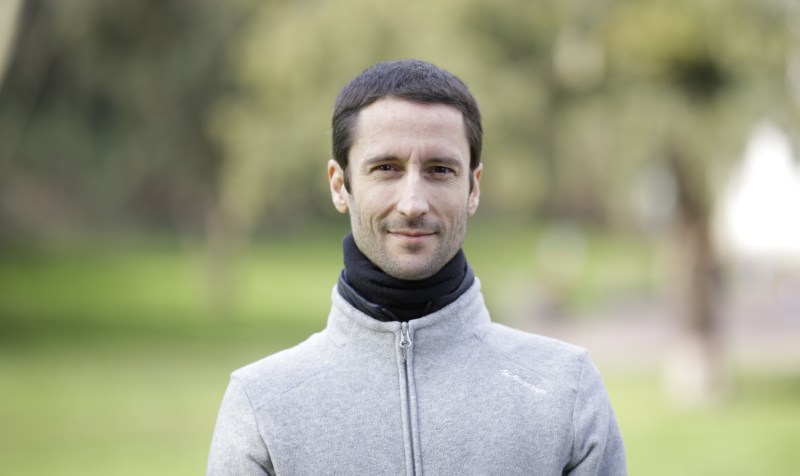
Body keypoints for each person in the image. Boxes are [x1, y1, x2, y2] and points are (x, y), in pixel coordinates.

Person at [207, 59, 627, 475]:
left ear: (473, 188)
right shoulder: (261, 406)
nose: (413, 204)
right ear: (339, 184)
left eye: (439, 170)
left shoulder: (566, 391)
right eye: (386, 169)